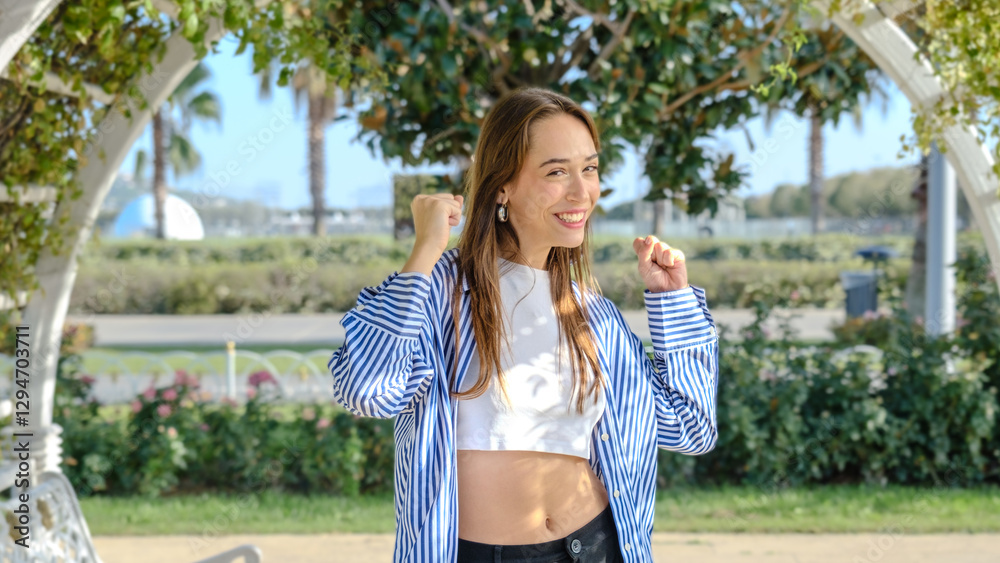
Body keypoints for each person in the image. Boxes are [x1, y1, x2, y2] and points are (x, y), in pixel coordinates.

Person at [328, 86, 719, 562]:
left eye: (589, 169)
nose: (582, 192)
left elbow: (691, 428)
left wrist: (672, 299)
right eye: (556, 172)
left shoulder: (593, 315)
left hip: (595, 547)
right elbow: (368, 390)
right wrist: (426, 249)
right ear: (502, 186)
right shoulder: (439, 292)